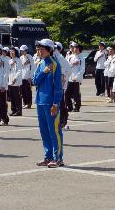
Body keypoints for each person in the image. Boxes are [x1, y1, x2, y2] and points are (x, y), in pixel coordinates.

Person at [32, 39, 64, 167]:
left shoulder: (55, 64)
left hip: (50, 102)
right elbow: (35, 81)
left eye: (42, 49)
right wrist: (44, 71)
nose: (39, 51)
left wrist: (55, 103)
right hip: (40, 101)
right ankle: (48, 156)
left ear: (49, 50)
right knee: (44, 131)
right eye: (38, 49)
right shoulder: (40, 63)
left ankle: (58, 158)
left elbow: (58, 86)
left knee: (54, 131)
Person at [66, 42, 84, 112]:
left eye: (76, 48)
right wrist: (72, 63)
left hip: (76, 79)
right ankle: (69, 106)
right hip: (69, 77)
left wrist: (76, 78)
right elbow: (67, 66)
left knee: (76, 94)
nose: (74, 49)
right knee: (67, 93)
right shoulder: (70, 56)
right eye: (74, 48)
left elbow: (82, 70)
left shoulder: (81, 58)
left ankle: (77, 107)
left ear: (79, 49)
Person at [8, 47, 24, 116]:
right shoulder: (10, 60)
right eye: (11, 51)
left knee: (17, 96)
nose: (11, 53)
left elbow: (19, 71)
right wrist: (10, 65)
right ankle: (13, 110)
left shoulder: (18, 60)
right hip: (10, 81)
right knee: (12, 96)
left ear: (16, 52)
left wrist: (15, 78)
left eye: (13, 51)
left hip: (16, 82)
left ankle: (18, 111)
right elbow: (7, 70)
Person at [20, 45, 34, 109]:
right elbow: (20, 67)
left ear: (26, 51)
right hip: (22, 76)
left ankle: (29, 103)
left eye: (23, 51)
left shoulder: (30, 57)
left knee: (28, 91)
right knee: (23, 91)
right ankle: (25, 102)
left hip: (27, 77)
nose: (22, 52)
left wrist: (30, 76)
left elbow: (32, 67)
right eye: (21, 51)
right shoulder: (21, 58)